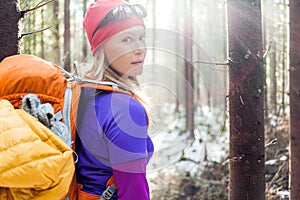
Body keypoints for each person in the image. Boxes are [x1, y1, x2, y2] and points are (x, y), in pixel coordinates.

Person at [75, 0, 154, 199]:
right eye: (126, 39)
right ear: (101, 47)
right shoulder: (125, 109)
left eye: (141, 38)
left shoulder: (80, 92)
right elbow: (134, 194)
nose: (140, 49)